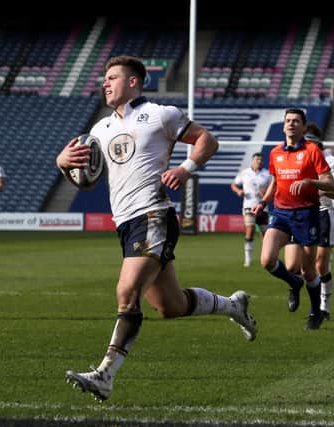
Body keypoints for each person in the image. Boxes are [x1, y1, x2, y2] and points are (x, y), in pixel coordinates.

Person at [56, 55, 257, 402]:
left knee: (126, 292)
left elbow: (208, 140)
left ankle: (105, 375)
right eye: (104, 78)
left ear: (133, 82)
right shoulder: (99, 130)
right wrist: (63, 164)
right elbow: (86, 183)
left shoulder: (161, 114)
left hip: (153, 216)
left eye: (112, 77)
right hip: (126, 223)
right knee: (170, 305)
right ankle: (233, 306)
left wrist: (185, 168)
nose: (105, 83)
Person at [251, 109, 334, 331]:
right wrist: (263, 202)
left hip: (307, 214)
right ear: (283, 126)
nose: (291, 124)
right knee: (267, 260)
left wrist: (311, 182)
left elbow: (332, 185)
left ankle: (315, 312)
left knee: (308, 270)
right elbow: (275, 181)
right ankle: (293, 282)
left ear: (303, 127)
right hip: (281, 213)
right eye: (288, 121)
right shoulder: (275, 152)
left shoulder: (312, 151)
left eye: (296, 121)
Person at [284, 123, 334, 321]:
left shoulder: (330, 162)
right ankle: (294, 285)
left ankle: (323, 308)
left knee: (320, 265)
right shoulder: (293, 160)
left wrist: (320, 190)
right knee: (293, 267)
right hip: (298, 214)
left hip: (321, 213)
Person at [230, 152, 271, 267]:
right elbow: (233, 184)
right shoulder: (245, 173)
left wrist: (265, 194)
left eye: (261, 160)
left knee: (266, 235)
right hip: (249, 206)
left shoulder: (267, 174)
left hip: (263, 207)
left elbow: (273, 190)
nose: (259, 161)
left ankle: (266, 257)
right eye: (257, 159)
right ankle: (247, 259)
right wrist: (238, 191)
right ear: (252, 161)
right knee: (250, 230)